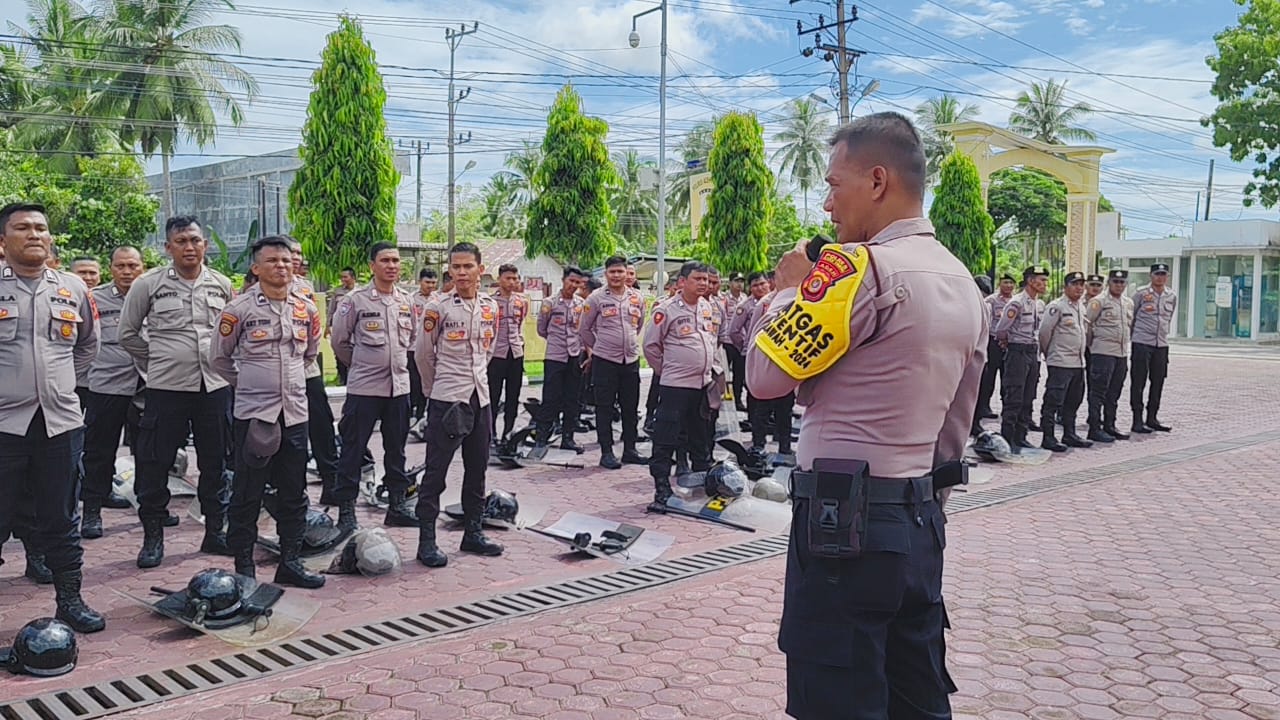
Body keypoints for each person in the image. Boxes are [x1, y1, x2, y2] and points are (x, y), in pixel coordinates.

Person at [744, 114, 983, 718]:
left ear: (877, 181)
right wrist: (920, 507)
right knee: (915, 692)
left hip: (841, 525)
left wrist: (789, 289)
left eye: (833, 184)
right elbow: (956, 423)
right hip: (919, 519)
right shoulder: (962, 280)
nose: (827, 204)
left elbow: (764, 379)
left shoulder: (855, 269)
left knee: (838, 696)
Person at [0, 202, 105, 633]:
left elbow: (87, 347)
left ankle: (70, 600)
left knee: (62, 518)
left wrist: (59, 388)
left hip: (60, 424)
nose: (35, 235)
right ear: (3, 240)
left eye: (41, 228)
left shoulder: (73, 288)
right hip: (3, 427)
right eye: (22, 228)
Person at [118, 216, 234, 568]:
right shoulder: (148, 284)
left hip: (213, 387)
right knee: (154, 462)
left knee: (216, 462)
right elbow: (128, 333)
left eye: (195, 240)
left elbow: (229, 333)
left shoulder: (222, 284)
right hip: (166, 388)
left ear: (205, 244)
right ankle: (153, 536)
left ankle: (215, 531)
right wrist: (158, 361)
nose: (189, 247)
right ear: (168, 247)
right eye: (181, 241)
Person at [211, 236, 325, 589]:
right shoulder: (239, 310)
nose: (281, 266)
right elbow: (219, 359)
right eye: (273, 261)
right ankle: (244, 566)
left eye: (287, 260)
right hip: (254, 416)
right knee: (248, 493)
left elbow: (309, 355)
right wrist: (248, 383)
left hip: (294, 414)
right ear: (256, 268)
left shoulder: (306, 309)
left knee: (294, 492)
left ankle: (290, 561)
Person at [413, 242, 504, 566]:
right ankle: (426, 541)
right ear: (449, 270)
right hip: (447, 400)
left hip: (480, 399)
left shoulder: (491, 306)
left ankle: (473, 533)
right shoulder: (438, 308)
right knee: (436, 473)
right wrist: (432, 390)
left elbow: (489, 350)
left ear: (480, 269)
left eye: (468, 266)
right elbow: (423, 354)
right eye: (456, 267)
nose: (462, 273)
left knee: (477, 469)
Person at [330, 243, 418, 531]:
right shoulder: (355, 301)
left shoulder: (406, 301)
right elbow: (340, 342)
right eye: (385, 260)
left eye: (395, 260)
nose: (391, 265)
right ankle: (346, 511)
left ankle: (397, 505)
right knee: (353, 451)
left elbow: (412, 339)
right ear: (372, 266)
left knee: (397, 451)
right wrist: (362, 365)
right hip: (365, 389)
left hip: (399, 388)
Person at [80, 246, 147, 539]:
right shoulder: (94, 298)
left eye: (133, 265)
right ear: (111, 269)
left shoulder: (153, 294)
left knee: (149, 451)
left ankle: (151, 508)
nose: (127, 271)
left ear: (142, 267)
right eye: (121, 266)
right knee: (99, 450)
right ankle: (92, 511)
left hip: (147, 382)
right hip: (107, 383)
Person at [642, 262, 718, 509]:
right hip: (676, 386)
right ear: (682, 282)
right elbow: (651, 346)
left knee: (700, 438)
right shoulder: (666, 310)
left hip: (702, 385)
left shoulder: (707, 307)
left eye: (706, 279)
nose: (704, 284)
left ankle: (700, 486)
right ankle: (662, 488)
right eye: (698, 279)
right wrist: (667, 371)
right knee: (666, 438)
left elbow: (711, 340)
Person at [579, 256, 648, 470]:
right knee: (605, 408)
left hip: (630, 360)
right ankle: (606, 452)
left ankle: (630, 450)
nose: (617, 276)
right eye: (612, 272)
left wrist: (626, 342)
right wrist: (599, 348)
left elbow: (638, 325)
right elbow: (584, 329)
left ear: (627, 274)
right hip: (605, 361)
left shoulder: (637, 297)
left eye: (621, 272)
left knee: (630, 407)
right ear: (605, 274)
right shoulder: (596, 298)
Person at [994, 266, 1048, 452]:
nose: (1045, 284)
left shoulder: (1039, 304)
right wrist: (1008, 344)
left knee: (1028, 396)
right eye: (1041, 280)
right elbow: (1001, 329)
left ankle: (1021, 436)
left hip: (1032, 352)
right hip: (1017, 351)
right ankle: (1008, 438)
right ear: (1031, 281)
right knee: (1014, 396)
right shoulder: (1016, 303)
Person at [535, 266, 587, 454]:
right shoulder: (549, 303)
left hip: (575, 355)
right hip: (555, 356)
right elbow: (542, 328)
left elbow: (583, 329)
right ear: (563, 280)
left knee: (572, 399)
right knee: (550, 398)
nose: (573, 285)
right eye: (571, 281)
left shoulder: (581, 304)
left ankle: (568, 438)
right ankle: (541, 437)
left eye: (577, 282)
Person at [1038, 272, 1092, 451]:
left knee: (1074, 400)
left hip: (1078, 363)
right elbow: (1044, 333)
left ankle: (1070, 434)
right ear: (1066, 286)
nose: (1079, 288)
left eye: (1081, 285)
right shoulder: (1056, 306)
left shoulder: (1080, 307)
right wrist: (1050, 354)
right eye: (1075, 284)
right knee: (1053, 401)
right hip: (1060, 362)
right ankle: (1048, 437)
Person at [1085, 270, 1134, 443]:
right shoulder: (1098, 301)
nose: (1119, 285)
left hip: (1120, 353)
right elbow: (1087, 326)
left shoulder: (1128, 303)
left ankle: (1110, 425)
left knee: (1114, 391)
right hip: (1102, 352)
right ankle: (1094, 427)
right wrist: (1092, 346)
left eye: (1122, 282)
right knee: (1098, 392)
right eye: (1115, 282)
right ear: (1109, 283)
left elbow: (1129, 326)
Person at [1129, 263, 1176, 433]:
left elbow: (1168, 318)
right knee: (1138, 382)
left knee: (1158, 381)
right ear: (1151, 276)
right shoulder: (1141, 294)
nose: (1160, 277)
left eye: (1163, 274)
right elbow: (1131, 317)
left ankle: (1152, 418)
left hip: (1161, 344)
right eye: (1157, 274)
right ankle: (1137, 420)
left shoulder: (1171, 295)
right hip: (1142, 343)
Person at [487, 264, 529, 443]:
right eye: (508, 278)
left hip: (516, 352)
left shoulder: (522, 301)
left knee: (513, 395)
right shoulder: (490, 302)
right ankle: (490, 433)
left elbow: (520, 323)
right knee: (493, 395)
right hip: (496, 353)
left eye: (515, 278)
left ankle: (508, 432)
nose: (512, 282)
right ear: (499, 279)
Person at [974, 273, 1016, 429]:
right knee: (988, 376)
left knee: (1008, 378)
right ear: (1000, 283)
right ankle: (984, 406)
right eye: (1005, 282)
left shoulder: (1016, 301)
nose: (1008, 286)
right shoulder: (991, 301)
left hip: (1010, 343)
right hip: (993, 342)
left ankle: (1007, 407)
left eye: (1011, 283)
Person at [408, 268, 438, 422]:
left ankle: (422, 414)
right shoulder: (411, 300)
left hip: (432, 349)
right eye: (427, 282)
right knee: (414, 381)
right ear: (420, 281)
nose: (430, 286)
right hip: (413, 347)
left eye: (433, 282)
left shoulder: (439, 300)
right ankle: (411, 412)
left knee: (427, 382)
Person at [327, 267, 358, 386]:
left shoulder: (361, 292)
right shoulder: (338, 292)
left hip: (355, 328)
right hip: (339, 326)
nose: (343, 279)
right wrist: (327, 327)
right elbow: (331, 310)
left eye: (345, 277)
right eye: (342, 277)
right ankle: (342, 378)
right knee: (339, 351)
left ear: (353, 278)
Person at [723, 273, 748, 409]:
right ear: (730, 283)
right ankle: (723, 398)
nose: (739, 284)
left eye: (741, 281)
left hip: (740, 341)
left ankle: (738, 399)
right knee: (724, 372)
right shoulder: (724, 299)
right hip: (727, 341)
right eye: (736, 281)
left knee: (739, 373)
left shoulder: (745, 299)